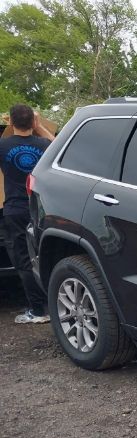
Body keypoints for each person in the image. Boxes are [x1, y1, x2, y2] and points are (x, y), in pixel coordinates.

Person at [0, 104, 55, 324]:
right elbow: (60, 146)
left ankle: (38, 311)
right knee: (44, 257)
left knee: (24, 262)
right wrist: (40, 126)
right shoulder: (43, 144)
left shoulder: (3, 145)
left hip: (14, 210)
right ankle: (52, 305)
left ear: (11, 122)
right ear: (32, 122)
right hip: (40, 209)